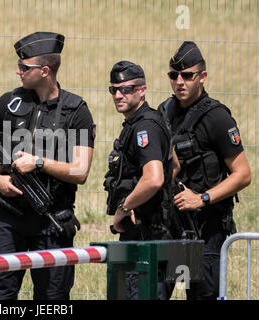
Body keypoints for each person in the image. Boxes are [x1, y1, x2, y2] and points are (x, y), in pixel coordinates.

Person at [0, 32, 95, 300]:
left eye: (25, 67)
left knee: (52, 298)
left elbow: (81, 171)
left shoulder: (76, 111)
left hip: (51, 219)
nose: (18, 71)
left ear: (45, 71)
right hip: (7, 216)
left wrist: (39, 162)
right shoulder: (9, 103)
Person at [158, 41, 251, 300]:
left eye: (187, 75)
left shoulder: (217, 118)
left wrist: (202, 198)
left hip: (205, 231)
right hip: (171, 227)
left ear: (203, 77)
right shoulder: (166, 111)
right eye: (173, 75)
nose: (179, 82)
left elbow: (243, 174)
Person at [103, 61, 174, 299]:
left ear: (142, 90)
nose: (118, 95)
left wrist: (125, 206)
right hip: (148, 234)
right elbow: (174, 164)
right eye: (113, 89)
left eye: (126, 89)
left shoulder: (144, 126)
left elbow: (154, 179)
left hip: (146, 237)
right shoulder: (145, 121)